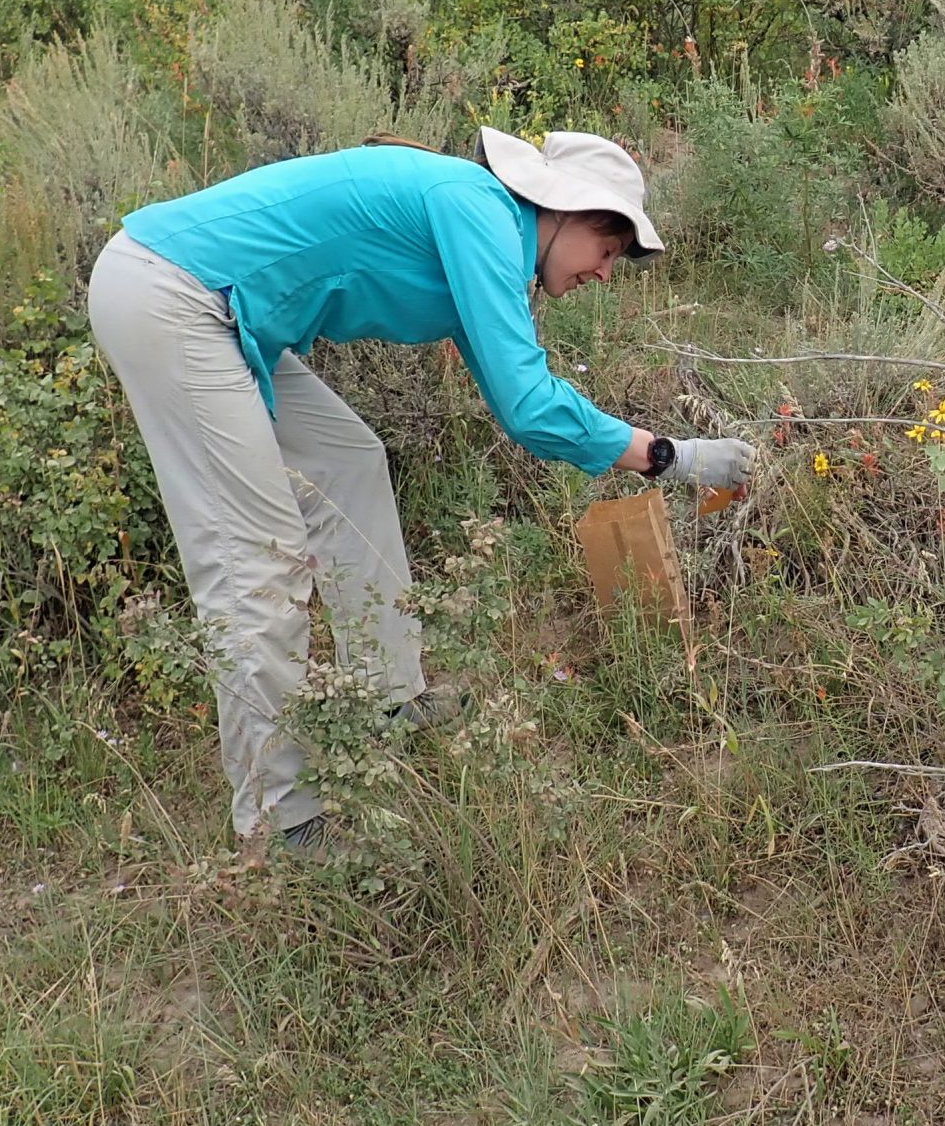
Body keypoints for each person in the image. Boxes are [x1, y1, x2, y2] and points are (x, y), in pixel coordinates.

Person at [86, 127, 753, 855]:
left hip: (226, 316)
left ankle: (386, 698)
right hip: (174, 296)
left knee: (350, 464)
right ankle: (280, 824)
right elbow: (532, 406)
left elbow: (515, 400)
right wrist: (670, 456)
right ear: (561, 210)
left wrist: (655, 454)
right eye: (608, 249)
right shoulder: (478, 211)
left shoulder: (488, 237)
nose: (605, 273)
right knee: (256, 566)